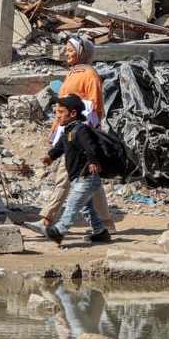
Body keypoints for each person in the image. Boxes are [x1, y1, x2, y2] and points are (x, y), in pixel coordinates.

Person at [26, 34, 116, 235]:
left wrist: (84, 134)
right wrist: (57, 131)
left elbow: (95, 106)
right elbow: (63, 105)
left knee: (64, 177)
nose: (66, 53)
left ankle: (47, 219)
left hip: (79, 135)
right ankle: (107, 223)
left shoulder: (90, 75)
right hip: (69, 131)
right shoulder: (73, 72)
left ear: (81, 52)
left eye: (70, 50)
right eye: (66, 50)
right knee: (91, 182)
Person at [41, 94, 110, 245]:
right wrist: (50, 156)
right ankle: (101, 232)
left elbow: (91, 146)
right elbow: (59, 147)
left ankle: (59, 231)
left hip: (87, 177)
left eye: (61, 112)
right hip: (78, 177)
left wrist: (93, 161)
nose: (58, 116)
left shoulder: (81, 130)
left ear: (73, 114)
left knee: (72, 204)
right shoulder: (68, 131)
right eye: (57, 112)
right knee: (86, 208)